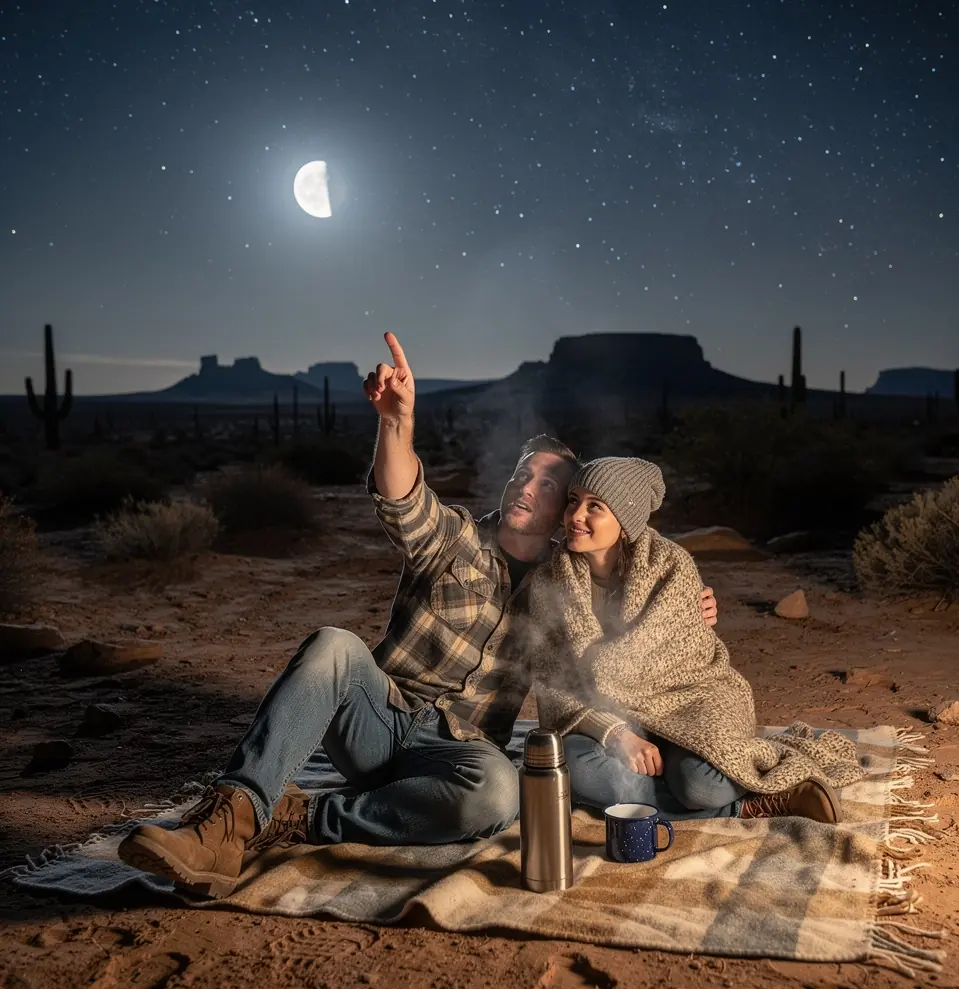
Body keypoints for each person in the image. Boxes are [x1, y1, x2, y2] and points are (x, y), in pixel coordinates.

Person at [117, 333, 719, 897]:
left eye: (546, 484)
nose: (524, 487)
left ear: (566, 510)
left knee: (497, 794)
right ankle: (226, 820)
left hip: (458, 753)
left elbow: (622, 611)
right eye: (520, 473)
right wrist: (396, 424)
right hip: (378, 721)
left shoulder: (566, 584)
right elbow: (404, 499)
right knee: (332, 643)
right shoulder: (454, 537)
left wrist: (687, 607)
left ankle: (302, 817)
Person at [530, 456, 867, 825]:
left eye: (595, 506)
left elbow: (678, 665)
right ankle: (746, 806)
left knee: (702, 787)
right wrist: (616, 734)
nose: (576, 515)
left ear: (625, 521)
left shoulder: (672, 568)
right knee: (584, 776)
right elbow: (552, 683)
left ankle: (721, 788)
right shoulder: (550, 582)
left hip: (689, 700)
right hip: (604, 717)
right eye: (573, 500)